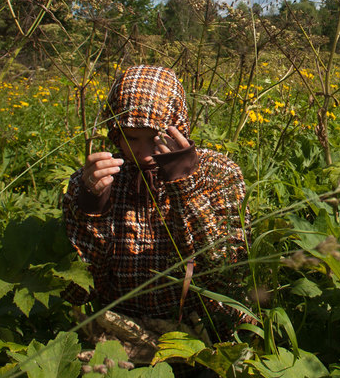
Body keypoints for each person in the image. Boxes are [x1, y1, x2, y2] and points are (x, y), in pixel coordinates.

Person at [62, 65, 249, 360]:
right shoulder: (97, 179)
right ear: (114, 133)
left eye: (155, 138)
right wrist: (91, 208)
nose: (145, 153)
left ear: (180, 127)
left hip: (205, 335)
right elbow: (78, 291)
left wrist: (185, 186)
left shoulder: (218, 173)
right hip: (120, 336)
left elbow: (227, 272)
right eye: (131, 138)